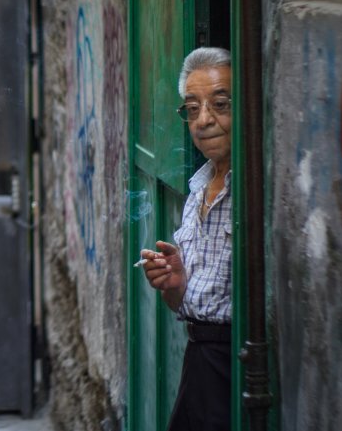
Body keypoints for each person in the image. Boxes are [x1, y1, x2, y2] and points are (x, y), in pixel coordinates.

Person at [138, 47, 233, 431]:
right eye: (192, 109)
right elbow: (187, 302)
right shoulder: (198, 188)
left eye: (220, 104)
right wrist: (175, 285)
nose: (204, 120)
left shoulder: (257, 189)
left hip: (236, 364)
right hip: (200, 360)